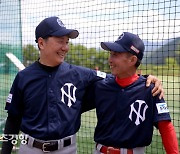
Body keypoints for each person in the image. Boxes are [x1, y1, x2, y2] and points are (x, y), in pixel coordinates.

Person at [1, 17, 164, 154]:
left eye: (67, 42)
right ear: (42, 43)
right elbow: (13, 120)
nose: (65, 47)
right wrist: (5, 152)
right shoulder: (23, 77)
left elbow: (121, 78)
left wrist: (145, 79)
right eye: (60, 41)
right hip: (29, 149)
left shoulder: (81, 74)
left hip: (67, 149)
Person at [83, 32, 179, 154]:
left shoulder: (150, 89)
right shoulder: (101, 86)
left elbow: (165, 127)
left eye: (115, 55)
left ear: (132, 60)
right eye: (110, 54)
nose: (110, 60)